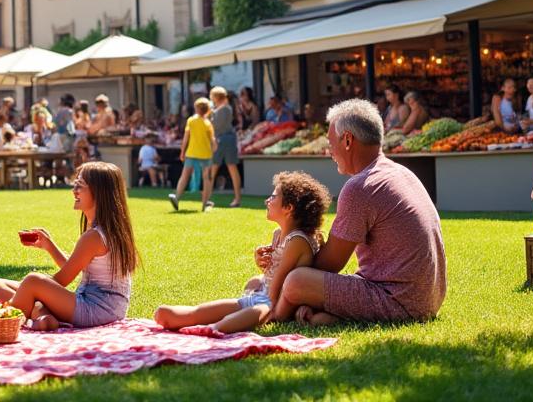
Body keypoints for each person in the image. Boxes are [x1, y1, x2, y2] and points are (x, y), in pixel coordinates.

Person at [280, 98, 447, 325]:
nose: (329, 152)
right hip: (427, 300)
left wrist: (282, 262)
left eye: (331, 144)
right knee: (304, 282)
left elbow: (329, 264)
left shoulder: (360, 187)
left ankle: (277, 312)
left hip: (398, 301)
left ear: (347, 140)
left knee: (296, 281)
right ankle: (326, 315)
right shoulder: (401, 172)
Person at [155, 171, 328, 333]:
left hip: (276, 302)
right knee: (186, 312)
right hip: (264, 294)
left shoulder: (297, 240)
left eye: (273, 196)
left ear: (288, 208)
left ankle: (213, 329)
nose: (267, 200)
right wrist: (260, 260)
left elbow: (281, 278)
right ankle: (186, 317)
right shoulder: (279, 234)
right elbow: (273, 272)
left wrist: (274, 312)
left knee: (257, 311)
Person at [0, 161, 139, 330]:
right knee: (0, 285)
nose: (74, 191)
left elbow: (61, 280)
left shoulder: (94, 236)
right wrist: (49, 246)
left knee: (32, 281)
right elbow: (75, 268)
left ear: (99, 192)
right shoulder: (110, 230)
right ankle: (43, 316)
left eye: (80, 186)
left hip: (96, 310)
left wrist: (35, 290)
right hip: (107, 309)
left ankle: (5, 321)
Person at [168, 98, 216, 212]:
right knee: (207, 179)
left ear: (197, 108)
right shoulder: (208, 123)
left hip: (192, 152)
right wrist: (213, 151)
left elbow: (186, 138)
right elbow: (213, 141)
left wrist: (182, 151)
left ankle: (177, 197)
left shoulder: (191, 121)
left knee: (184, 176)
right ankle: (205, 204)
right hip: (206, 154)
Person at [205, 86, 241, 208]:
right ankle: (208, 198)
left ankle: (207, 198)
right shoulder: (224, 108)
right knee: (227, 168)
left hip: (222, 140)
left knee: (216, 168)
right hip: (226, 139)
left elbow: (215, 126)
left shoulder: (224, 109)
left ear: (215, 97)